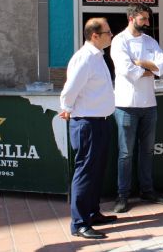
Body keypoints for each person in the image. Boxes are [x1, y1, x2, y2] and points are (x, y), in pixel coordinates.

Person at [59, 18, 117, 239]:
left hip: (100, 121)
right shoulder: (84, 58)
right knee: (85, 172)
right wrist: (66, 108)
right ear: (95, 35)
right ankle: (80, 223)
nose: (110, 35)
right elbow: (70, 89)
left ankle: (92, 213)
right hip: (87, 123)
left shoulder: (97, 56)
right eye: (108, 32)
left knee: (96, 170)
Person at [110, 3, 163, 213]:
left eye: (147, 19)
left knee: (147, 150)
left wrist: (142, 63)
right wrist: (150, 68)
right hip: (126, 104)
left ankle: (147, 189)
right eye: (143, 18)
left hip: (149, 104)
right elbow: (125, 69)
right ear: (131, 18)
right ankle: (122, 195)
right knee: (126, 153)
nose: (147, 22)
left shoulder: (150, 41)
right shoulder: (119, 41)